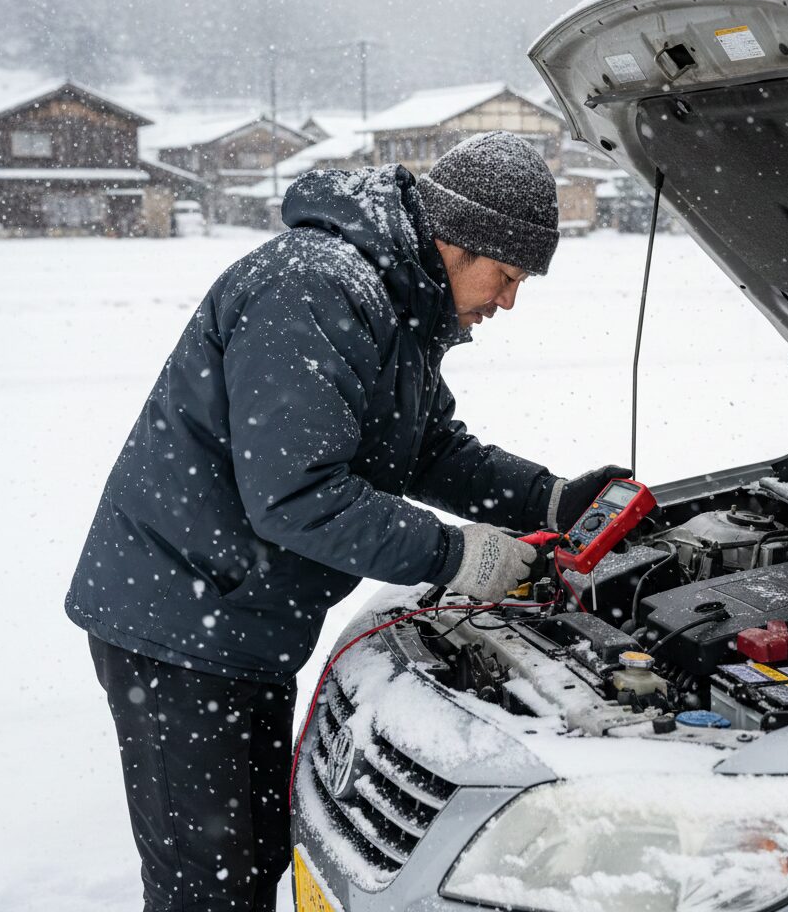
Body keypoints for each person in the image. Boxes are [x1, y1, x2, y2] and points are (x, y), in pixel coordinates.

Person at [65, 130, 630, 912]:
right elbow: (299, 496)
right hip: (178, 627)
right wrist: (457, 556)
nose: (508, 301)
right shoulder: (314, 289)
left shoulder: (393, 303)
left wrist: (551, 500)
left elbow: (427, 447)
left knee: (256, 860)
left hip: (239, 621)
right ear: (457, 240)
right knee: (207, 885)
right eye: (506, 275)